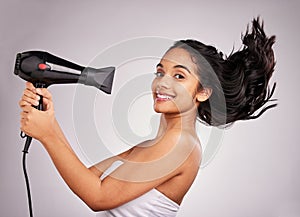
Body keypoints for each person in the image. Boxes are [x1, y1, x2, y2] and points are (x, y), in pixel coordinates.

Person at [19, 17, 276, 216]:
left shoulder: (180, 146)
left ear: (202, 92)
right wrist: (49, 122)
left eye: (179, 76)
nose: (162, 83)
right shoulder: (153, 145)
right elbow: (87, 178)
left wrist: (49, 132)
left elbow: (97, 197)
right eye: (159, 72)